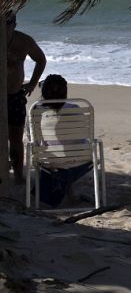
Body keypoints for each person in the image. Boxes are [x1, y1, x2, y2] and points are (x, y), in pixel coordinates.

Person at [37, 74, 93, 207]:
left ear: (43, 92)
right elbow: (84, 135)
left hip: (49, 160)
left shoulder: (36, 111)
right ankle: (70, 197)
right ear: (65, 92)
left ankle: (59, 197)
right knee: (68, 153)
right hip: (80, 159)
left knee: (56, 156)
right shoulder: (76, 109)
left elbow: (32, 138)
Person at [6, 12, 47, 185]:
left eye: (7, 23)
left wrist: (32, 84)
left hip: (14, 95)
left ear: (14, 24)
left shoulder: (23, 41)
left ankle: (18, 175)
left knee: (15, 138)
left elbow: (41, 59)